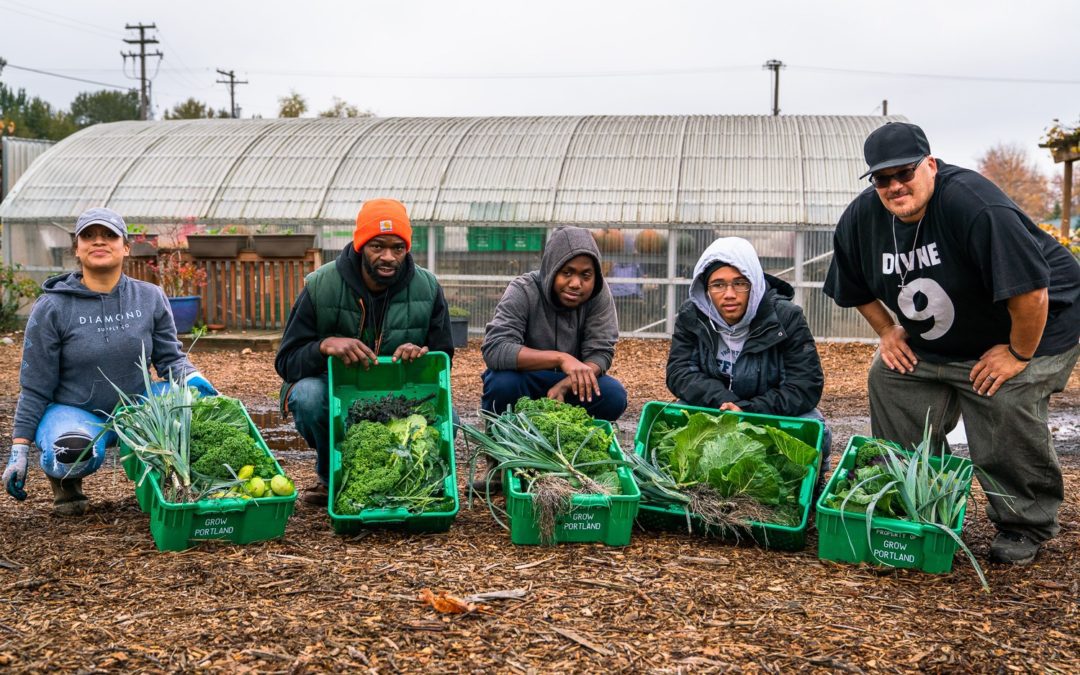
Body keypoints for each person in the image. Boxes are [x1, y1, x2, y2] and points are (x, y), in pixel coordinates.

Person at [824, 122, 1080, 565]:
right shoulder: (862, 218)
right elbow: (852, 285)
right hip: (950, 334)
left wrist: (1018, 354)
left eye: (905, 172)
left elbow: (1032, 294)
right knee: (891, 376)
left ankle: (1024, 523)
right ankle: (920, 500)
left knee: (1002, 395)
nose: (895, 186)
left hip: (1038, 322)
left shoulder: (975, 206)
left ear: (930, 165)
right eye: (882, 179)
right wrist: (887, 331)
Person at [1, 207, 216, 516]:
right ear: (77, 248)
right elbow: (35, 385)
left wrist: (199, 385)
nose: (98, 242)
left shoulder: (150, 297)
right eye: (88, 236)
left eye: (109, 235)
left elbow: (170, 360)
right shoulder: (52, 307)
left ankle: (166, 485)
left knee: (191, 411)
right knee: (69, 451)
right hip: (76, 412)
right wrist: (19, 448)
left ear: (125, 247)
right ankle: (67, 486)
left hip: (138, 408)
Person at [275, 198, 454, 506]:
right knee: (307, 397)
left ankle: (404, 481)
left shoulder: (427, 288)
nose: (388, 257)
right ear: (360, 245)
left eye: (398, 248)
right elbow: (287, 362)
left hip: (397, 394)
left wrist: (419, 357)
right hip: (336, 391)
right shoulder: (322, 286)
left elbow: (442, 360)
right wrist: (324, 346)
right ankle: (333, 477)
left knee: (449, 417)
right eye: (377, 247)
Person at [666, 237, 831, 469]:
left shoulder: (786, 318)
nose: (729, 294)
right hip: (715, 409)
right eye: (718, 284)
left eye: (740, 283)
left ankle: (814, 483)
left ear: (754, 282)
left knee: (814, 427)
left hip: (769, 415)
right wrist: (725, 400)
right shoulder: (692, 316)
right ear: (705, 289)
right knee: (670, 419)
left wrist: (749, 410)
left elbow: (804, 385)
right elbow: (679, 372)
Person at [481, 225, 627, 422]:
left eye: (586, 275)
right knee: (502, 384)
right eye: (567, 272)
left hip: (571, 383)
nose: (576, 283)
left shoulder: (598, 295)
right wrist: (560, 359)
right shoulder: (523, 290)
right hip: (525, 379)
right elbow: (496, 348)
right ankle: (504, 442)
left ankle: (575, 442)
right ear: (552, 269)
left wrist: (566, 384)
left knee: (613, 395)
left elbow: (600, 352)